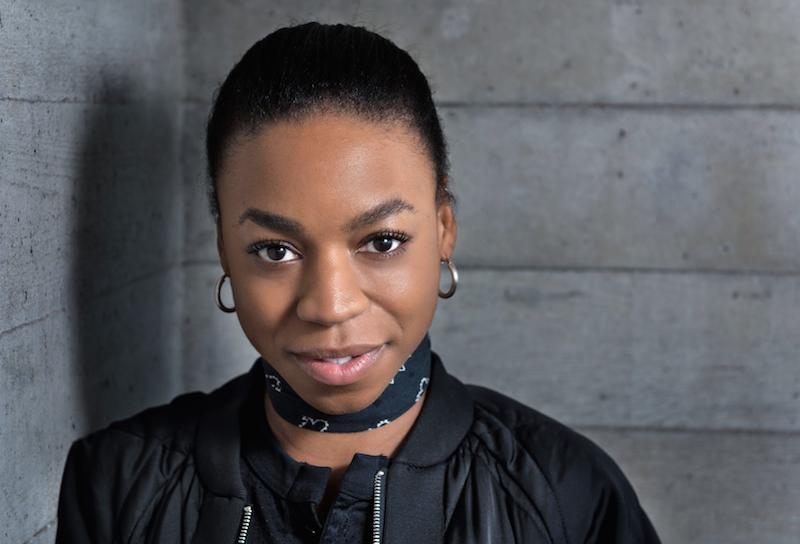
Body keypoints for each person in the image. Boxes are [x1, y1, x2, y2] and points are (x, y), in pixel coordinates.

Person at [56, 22, 661, 543]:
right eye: (275, 250)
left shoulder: (568, 495)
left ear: (443, 231)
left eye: (382, 242)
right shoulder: (117, 485)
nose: (331, 306)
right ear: (225, 253)